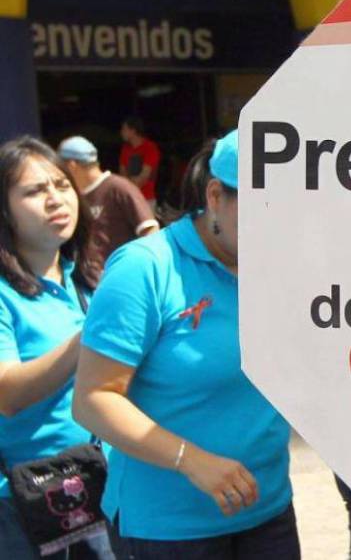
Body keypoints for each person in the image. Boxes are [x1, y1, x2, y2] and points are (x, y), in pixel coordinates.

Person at [72, 131, 299, 559]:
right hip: (168, 528)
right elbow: (93, 399)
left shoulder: (284, 268)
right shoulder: (145, 268)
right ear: (215, 196)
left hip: (268, 512)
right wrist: (190, 460)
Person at [0, 136, 113, 559]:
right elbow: (7, 393)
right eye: (34, 191)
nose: (55, 199)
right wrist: (91, 336)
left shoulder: (89, 279)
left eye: (62, 185)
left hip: (105, 483)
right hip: (28, 500)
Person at [58, 136, 158, 282]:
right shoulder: (75, 196)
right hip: (88, 282)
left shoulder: (119, 188)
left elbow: (150, 231)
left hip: (121, 280)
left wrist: (136, 271)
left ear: (72, 166)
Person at [117, 117, 160, 211]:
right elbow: (122, 174)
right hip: (128, 199)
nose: (121, 132)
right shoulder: (125, 149)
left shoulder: (149, 148)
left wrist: (128, 183)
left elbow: (143, 178)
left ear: (133, 131)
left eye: (124, 129)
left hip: (146, 199)